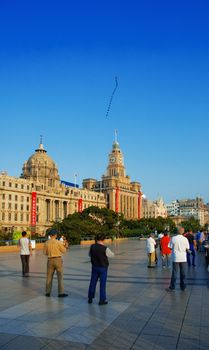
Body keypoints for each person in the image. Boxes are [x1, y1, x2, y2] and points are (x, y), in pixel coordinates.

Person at [88, 233, 114, 305]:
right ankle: (102, 300)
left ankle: (90, 297)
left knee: (93, 282)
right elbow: (112, 255)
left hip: (94, 267)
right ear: (103, 239)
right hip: (103, 267)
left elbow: (89, 254)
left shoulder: (92, 246)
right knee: (102, 284)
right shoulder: (105, 248)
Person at [43, 229, 68, 297]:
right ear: (55, 235)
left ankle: (48, 292)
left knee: (49, 277)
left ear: (50, 235)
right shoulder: (58, 242)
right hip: (58, 260)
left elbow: (44, 253)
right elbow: (64, 251)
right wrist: (66, 246)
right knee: (60, 277)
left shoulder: (46, 243)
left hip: (50, 260)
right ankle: (61, 293)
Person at [166, 227, 189, 292]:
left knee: (174, 273)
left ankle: (172, 287)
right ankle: (183, 287)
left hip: (176, 258)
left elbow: (170, 247)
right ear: (183, 232)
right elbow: (187, 248)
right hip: (183, 258)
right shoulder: (185, 239)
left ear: (177, 231)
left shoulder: (173, 238)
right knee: (183, 273)